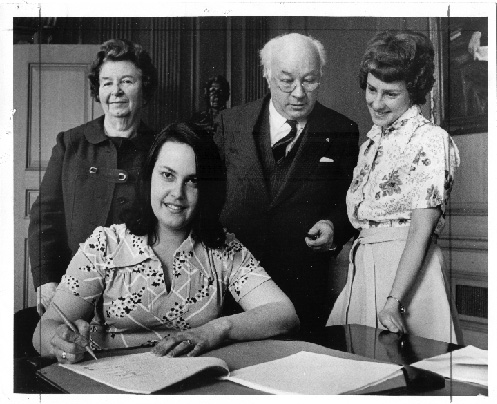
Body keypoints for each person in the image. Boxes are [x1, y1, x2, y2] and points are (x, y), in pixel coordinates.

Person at [32, 123, 299, 363]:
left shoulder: (223, 248)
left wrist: (215, 329)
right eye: (167, 176)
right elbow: (43, 331)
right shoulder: (105, 244)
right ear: (149, 178)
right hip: (113, 383)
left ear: (207, 188)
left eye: (192, 181)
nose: (177, 194)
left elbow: (283, 313)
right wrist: (61, 340)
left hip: (192, 384)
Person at [213, 33, 359, 334]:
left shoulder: (342, 130)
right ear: (268, 76)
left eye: (310, 80)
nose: (299, 93)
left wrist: (334, 227)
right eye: (287, 81)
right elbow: (208, 193)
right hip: (230, 283)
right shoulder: (231, 123)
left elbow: (353, 200)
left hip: (304, 284)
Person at [327, 30, 463, 344]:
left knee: (412, 373)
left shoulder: (429, 141)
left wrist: (393, 301)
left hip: (407, 280)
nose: (376, 102)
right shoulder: (371, 144)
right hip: (365, 269)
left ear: (413, 92)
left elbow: (420, 231)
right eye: (372, 89)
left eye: (390, 93)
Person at [28, 39, 158, 314]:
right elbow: (46, 215)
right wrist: (47, 280)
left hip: (142, 289)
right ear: (97, 90)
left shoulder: (162, 146)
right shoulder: (71, 143)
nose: (116, 91)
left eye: (127, 81)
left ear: (144, 88)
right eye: (107, 82)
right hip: (75, 286)